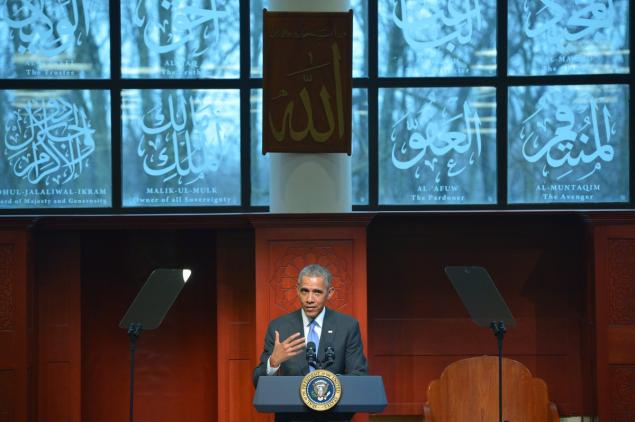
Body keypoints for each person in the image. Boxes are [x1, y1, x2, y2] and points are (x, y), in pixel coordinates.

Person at [253, 264, 368, 387]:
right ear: (297, 290)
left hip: (333, 404)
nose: (309, 299)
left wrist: (331, 382)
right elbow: (258, 383)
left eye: (317, 292)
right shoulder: (279, 327)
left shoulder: (347, 326)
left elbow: (359, 375)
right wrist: (273, 362)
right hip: (291, 403)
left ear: (329, 293)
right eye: (304, 291)